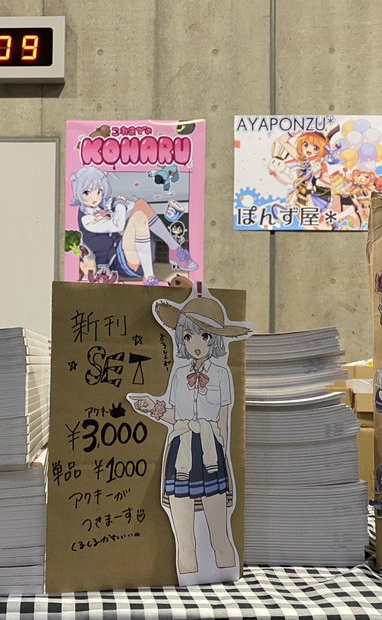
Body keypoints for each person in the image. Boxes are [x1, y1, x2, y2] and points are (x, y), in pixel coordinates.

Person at [128, 291, 251, 580]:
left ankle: (228, 582)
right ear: (181, 339)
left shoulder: (222, 375)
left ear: (215, 339)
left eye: (204, 336)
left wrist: (219, 455)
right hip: (180, 451)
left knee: (220, 536)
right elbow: (175, 416)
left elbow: (224, 422)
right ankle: (186, 582)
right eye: (188, 336)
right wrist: (151, 407)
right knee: (184, 540)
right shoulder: (178, 374)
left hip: (210, 455)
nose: (196, 343)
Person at [70, 166, 198, 285]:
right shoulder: (86, 219)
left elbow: (132, 206)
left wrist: (121, 205)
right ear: (77, 193)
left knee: (141, 204)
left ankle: (174, 249)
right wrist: (120, 204)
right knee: (139, 217)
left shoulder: (103, 204)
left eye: (99, 191)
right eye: (87, 192)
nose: (95, 197)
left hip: (129, 252)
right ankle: (149, 276)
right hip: (117, 264)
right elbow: (118, 226)